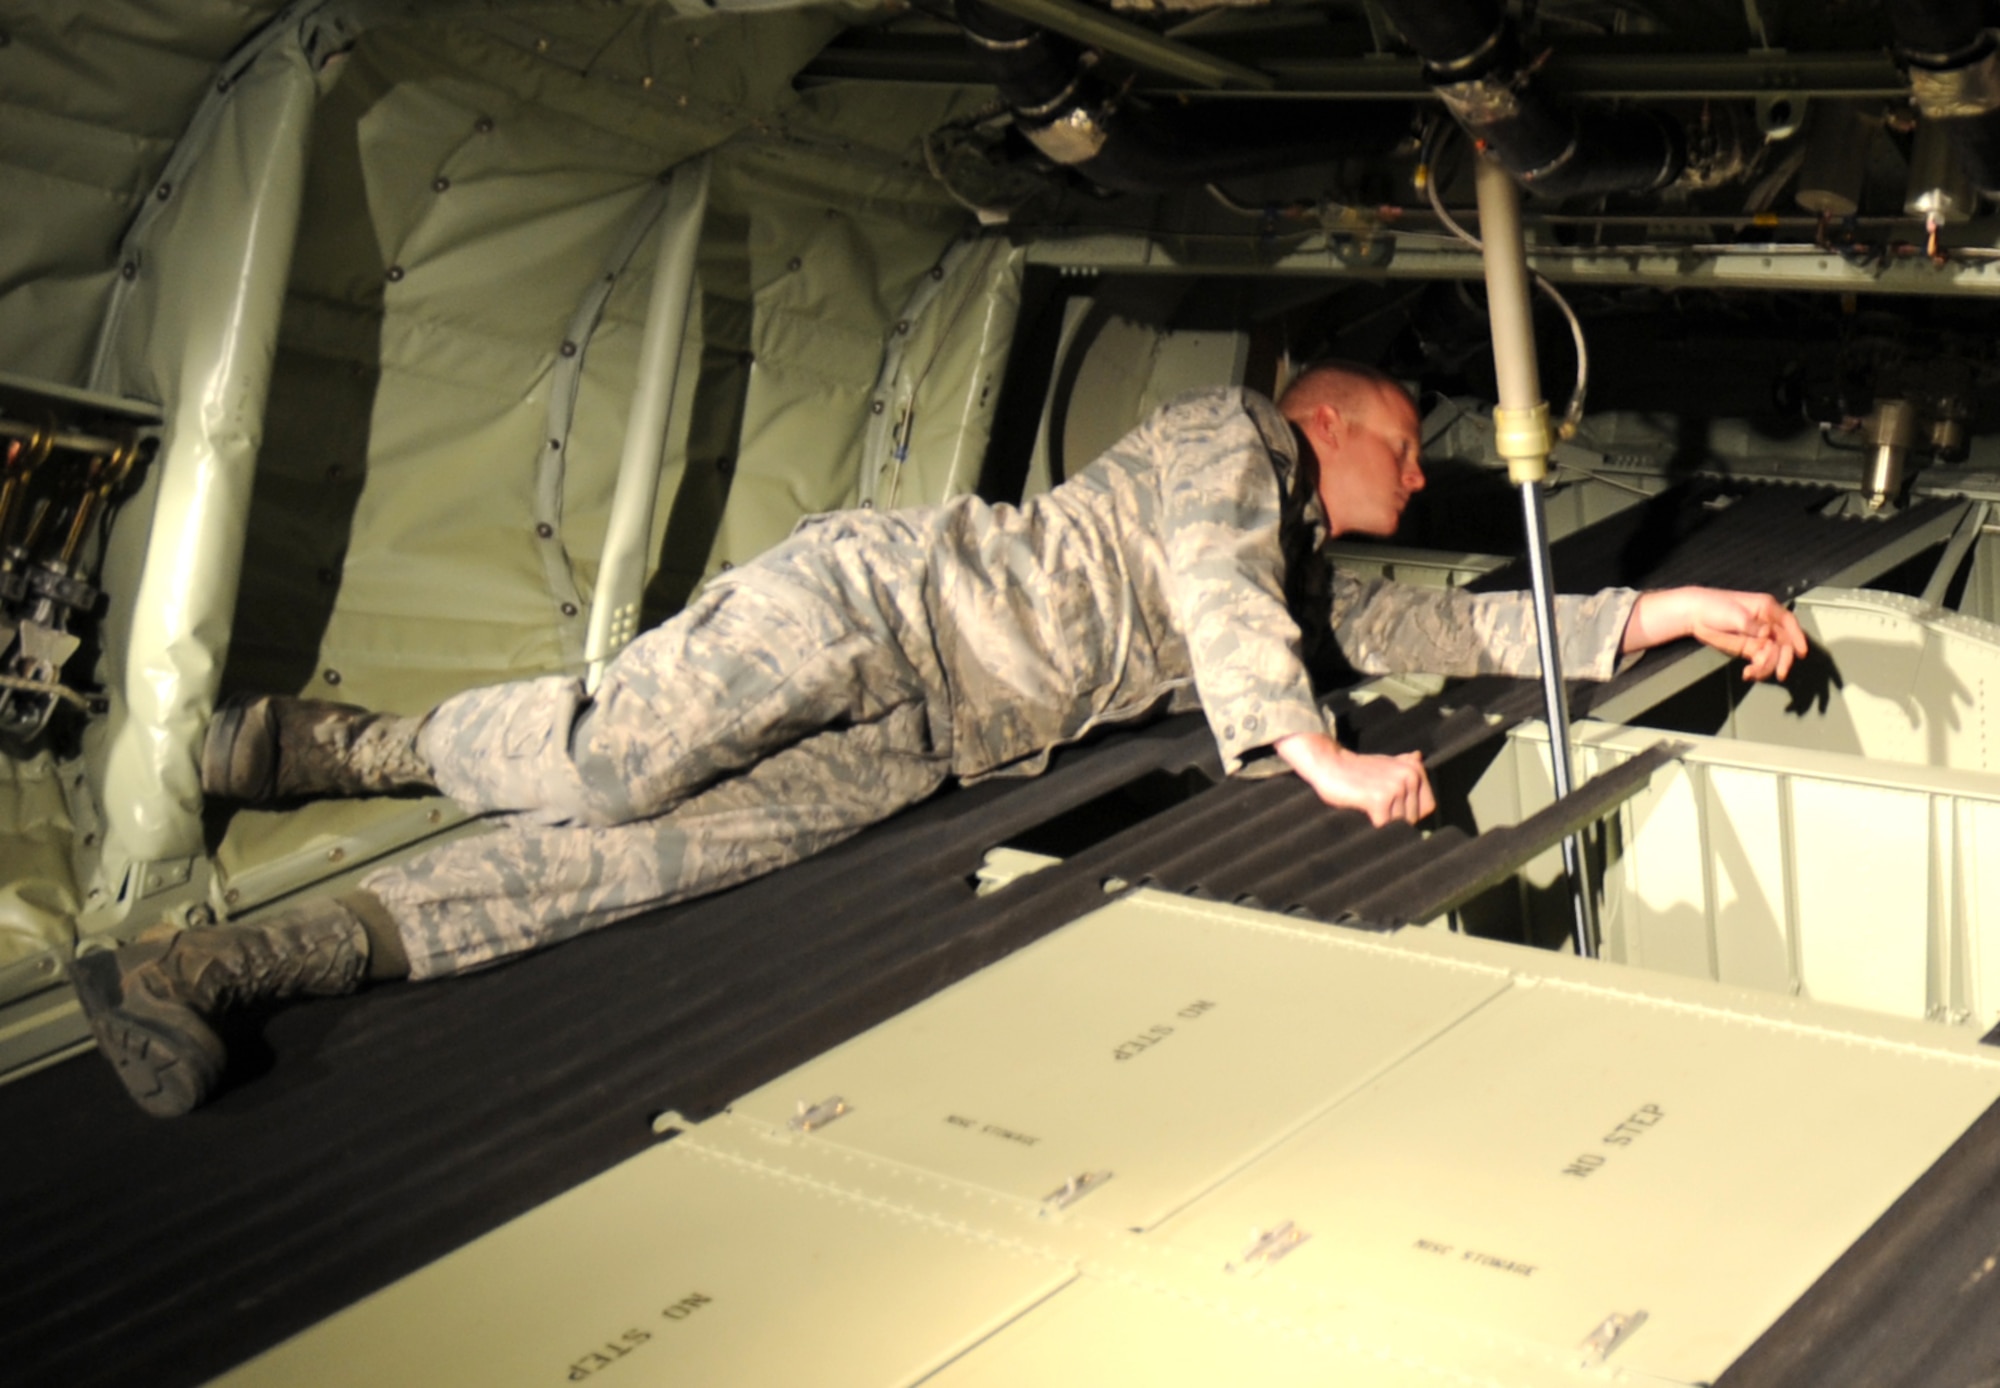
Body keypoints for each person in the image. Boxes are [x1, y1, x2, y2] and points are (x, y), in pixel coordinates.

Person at [70, 364, 1807, 1117]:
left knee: (627, 869)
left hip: (925, 740)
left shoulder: (1300, 571)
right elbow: (1212, 588)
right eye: (1405, 459)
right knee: (608, 762)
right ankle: (353, 746)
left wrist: (1667, 616)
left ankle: (223, 966)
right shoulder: (1228, 444)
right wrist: (1313, 756)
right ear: (1331, 422)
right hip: (879, 613)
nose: (1412, 488)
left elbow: (1450, 627)